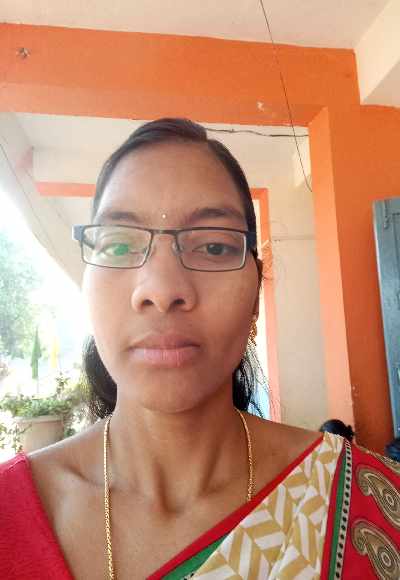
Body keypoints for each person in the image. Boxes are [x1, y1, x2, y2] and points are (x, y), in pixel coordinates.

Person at [0, 118, 399, 579]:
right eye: (120, 245)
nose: (162, 289)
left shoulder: (371, 504)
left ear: (255, 294)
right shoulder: (10, 512)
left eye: (212, 247)